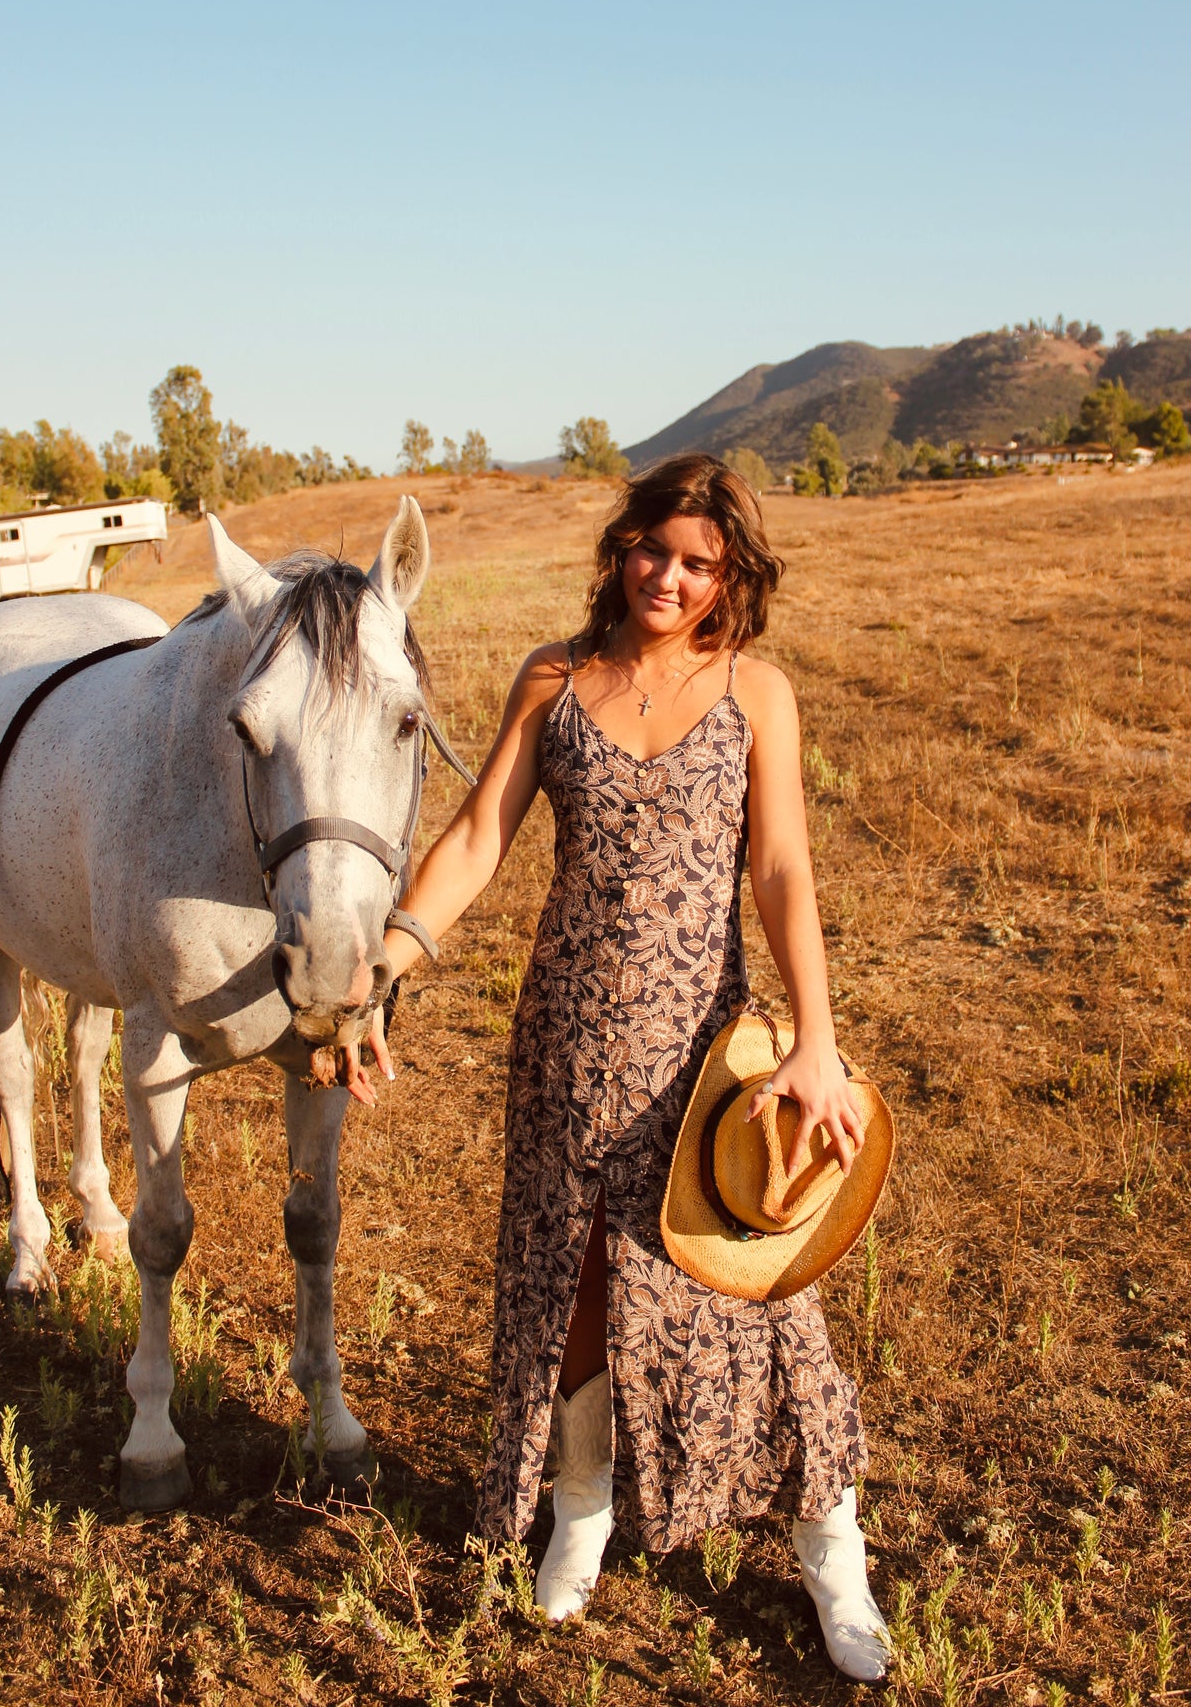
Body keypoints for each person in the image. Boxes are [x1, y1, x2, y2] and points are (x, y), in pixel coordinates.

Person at [351, 452, 890, 1680]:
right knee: (574, 1277)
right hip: (566, 1038)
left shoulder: (757, 690)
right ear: (621, 545)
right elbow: (482, 830)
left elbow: (782, 871)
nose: (670, 575)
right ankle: (580, 1506)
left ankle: (828, 1546)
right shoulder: (555, 675)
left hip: (703, 1051)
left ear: (730, 576)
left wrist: (813, 1036)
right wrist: (389, 955)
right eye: (654, 547)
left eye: (700, 561)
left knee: (755, 1294)